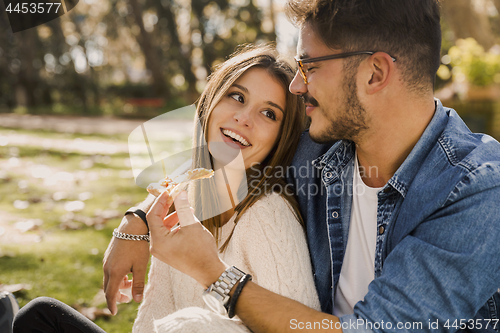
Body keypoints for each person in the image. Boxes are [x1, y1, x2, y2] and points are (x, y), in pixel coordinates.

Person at [143, 0, 500, 332]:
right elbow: (228, 151)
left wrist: (213, 272)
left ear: (374, 74)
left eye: (309, 67)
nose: (297, 86)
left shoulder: (478, 189)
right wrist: (138, 220)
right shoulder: (319, 148)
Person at [13, 44, 321, 332]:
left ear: (282, 137)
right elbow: (154, 318)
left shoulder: (267, 214)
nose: (244, 118)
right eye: (237, 97)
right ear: (210, 102)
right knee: (39, 316)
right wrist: (136, 221)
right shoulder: (186, 203)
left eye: (269, 114)